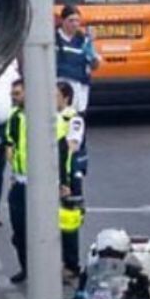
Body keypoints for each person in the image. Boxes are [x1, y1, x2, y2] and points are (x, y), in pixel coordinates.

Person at [56, 82, 88, 280]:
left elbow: (72, 145)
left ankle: (71, 264)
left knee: (68, 222)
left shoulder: (73, 118)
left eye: (55, 95)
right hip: (53, 175)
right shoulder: (50, 117)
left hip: (69, 176)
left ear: (65, 97)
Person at [2, 78, 32, 283]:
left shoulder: (42, 116)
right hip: (20, 181)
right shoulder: (14, 116)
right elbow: (9, 143)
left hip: (40, 183)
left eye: (17, 94)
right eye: (13, 94)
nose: (14, 98)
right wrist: (13, 169)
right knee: (19, 231)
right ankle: (26, 267)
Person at [55, 5, 101, 111]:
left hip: (80, 86)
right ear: (62, 20)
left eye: (77, 21)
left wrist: (92, 54)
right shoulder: (54, 39)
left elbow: (94, 65)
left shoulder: (83, 40)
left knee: (77, 118)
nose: (75, 24)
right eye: (71, 20)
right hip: (59, 85)